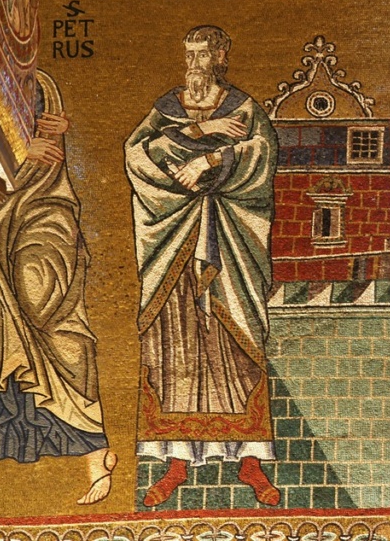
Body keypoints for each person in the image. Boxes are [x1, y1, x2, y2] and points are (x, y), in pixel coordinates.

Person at [125, 25, 280, 507]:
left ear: (221, 56)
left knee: (235, 339)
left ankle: (250, 458)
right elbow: (136, 152)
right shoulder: (168, 108)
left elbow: (263, 156)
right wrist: (198, 132)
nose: (193, 63)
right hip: (173, 241)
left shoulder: (245, 109)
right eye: (188, 53)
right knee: (174, 341)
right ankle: (175, 460)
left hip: (229, 242)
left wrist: (213, 157)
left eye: (202, 54)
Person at [0, 71, 116, 505]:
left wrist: (50, 133)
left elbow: (48, 135)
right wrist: (15, 152)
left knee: (54, 318)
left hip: (42, 206)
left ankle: (97, 455)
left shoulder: (30, 76)